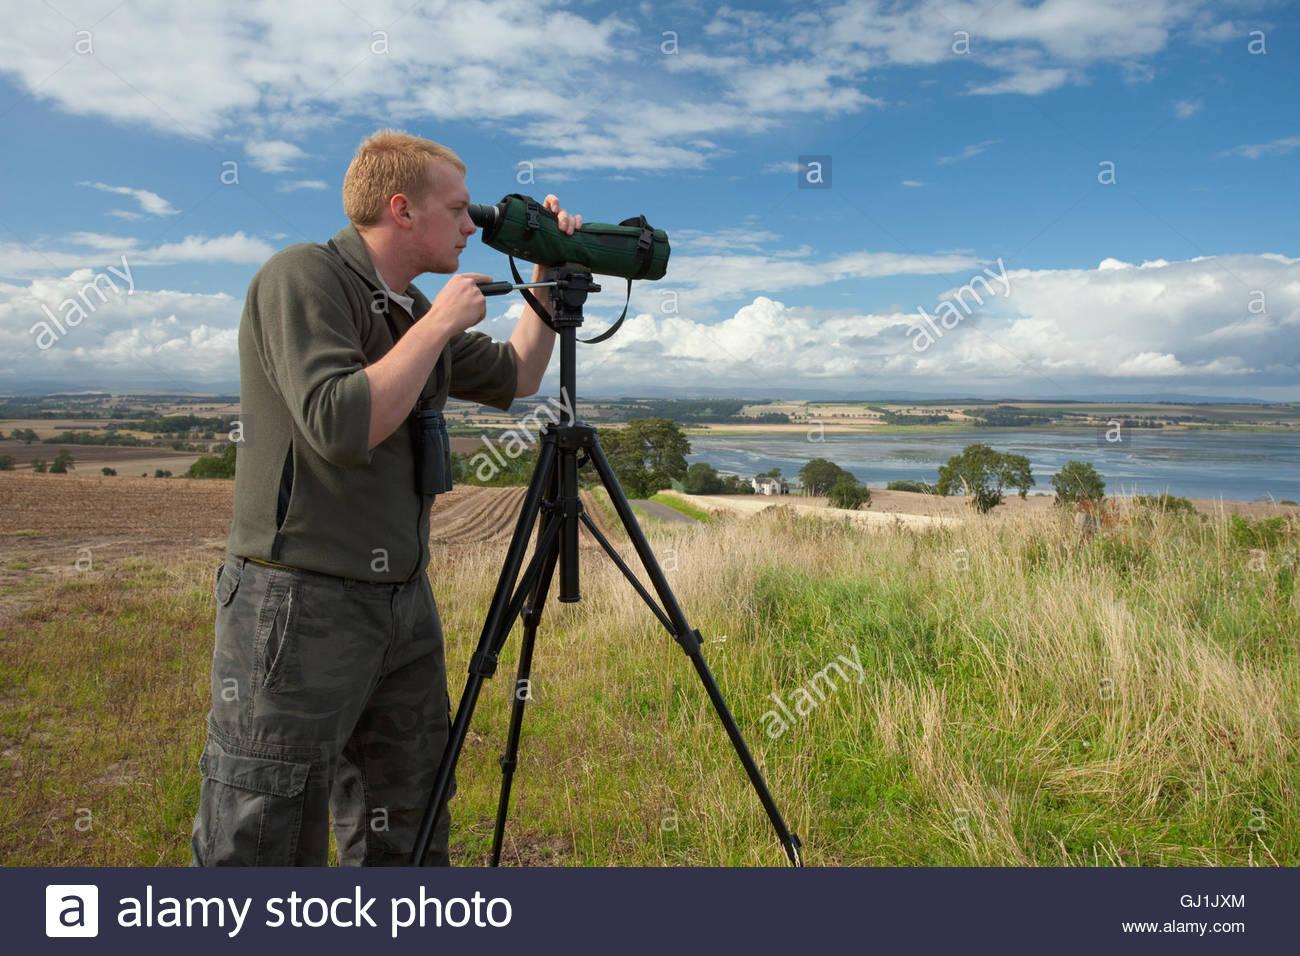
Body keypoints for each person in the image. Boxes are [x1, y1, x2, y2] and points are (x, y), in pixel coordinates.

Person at [189, 129, 581, 866]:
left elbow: (520, 375)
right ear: (401, 210)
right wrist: (437, 324)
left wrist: (545, 273)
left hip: (401, 599)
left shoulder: (406, 306)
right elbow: (341, 423)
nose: (473, 227)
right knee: (264, 833)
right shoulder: (303, 278)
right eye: (460, 211)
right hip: (297, 600)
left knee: (406, 819)